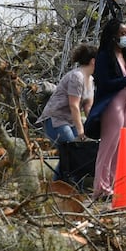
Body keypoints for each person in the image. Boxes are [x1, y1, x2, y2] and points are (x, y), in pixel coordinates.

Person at [86, 18, 126, 199]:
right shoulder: (104, 56)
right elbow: (105, 83)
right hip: (113, 104)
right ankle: (101, 187)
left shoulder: (125, 56)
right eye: (122, 34)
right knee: (109, 147)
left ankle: (120, 184)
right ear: (113, 36)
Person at [41, 44, 96, 182]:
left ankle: (64, 185)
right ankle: (61, 184)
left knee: (79, 152)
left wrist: (93, 129)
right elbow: (74, 105)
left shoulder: (91, 80)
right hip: (56, 120)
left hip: (70, 121)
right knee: (72, 150)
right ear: (93, 61)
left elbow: (88, 107)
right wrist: (81, 131)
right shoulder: (77, 77)